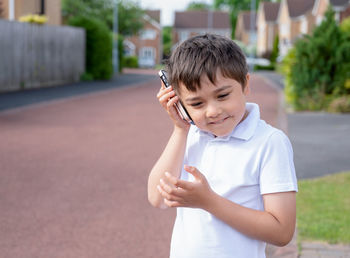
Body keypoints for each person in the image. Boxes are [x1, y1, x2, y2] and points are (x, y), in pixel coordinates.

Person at [147, 34, 298, 258]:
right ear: (179, 103)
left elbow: (282, 231)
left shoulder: (269, 142)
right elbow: (157, 198)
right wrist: (180, 129)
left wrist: (209, 202)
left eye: (223, 95)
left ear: (246, 84)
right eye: (197, 103)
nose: (213, 111)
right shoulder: (189, 135)